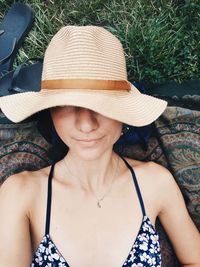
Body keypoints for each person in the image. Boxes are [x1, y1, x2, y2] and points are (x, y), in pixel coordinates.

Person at [0, 25, 199, 267]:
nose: (86, 124)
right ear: (50, 112)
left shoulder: (155, 182)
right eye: (67, 105)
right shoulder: (21, 193)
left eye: (102, 106)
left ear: (123, 113)